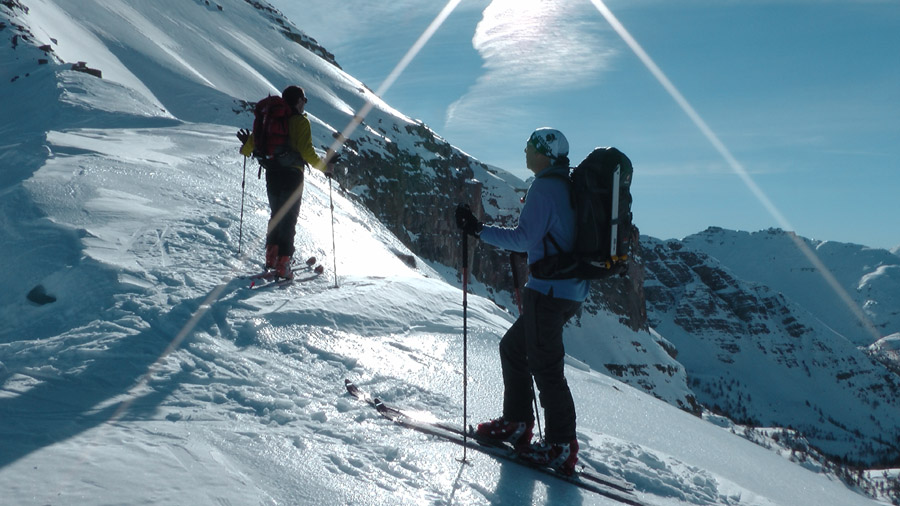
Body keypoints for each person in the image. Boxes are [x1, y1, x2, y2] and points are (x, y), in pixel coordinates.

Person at [455, 127, 590, 475]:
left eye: (531, 146)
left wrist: (477, 229)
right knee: (514, 349)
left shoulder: (545, 187)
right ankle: (517, 422)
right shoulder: (566, 185)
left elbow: (524, 238)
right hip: (566, 289)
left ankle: (561, 445)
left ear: (544, 153)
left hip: (548, 291)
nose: (525, 150)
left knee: (546, 367)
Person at [237, 85, 334, 279]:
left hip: (272, 172)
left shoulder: (269, 118)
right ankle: (284, 263)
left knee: (276, 214)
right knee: (289, 217)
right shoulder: (300, 121)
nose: (304, 104)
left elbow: (248, 149)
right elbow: (307, 152)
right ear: (298, 100)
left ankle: (271, 258)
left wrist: (247, 145)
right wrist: (326, 167)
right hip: (292, 174)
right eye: (304, 100)